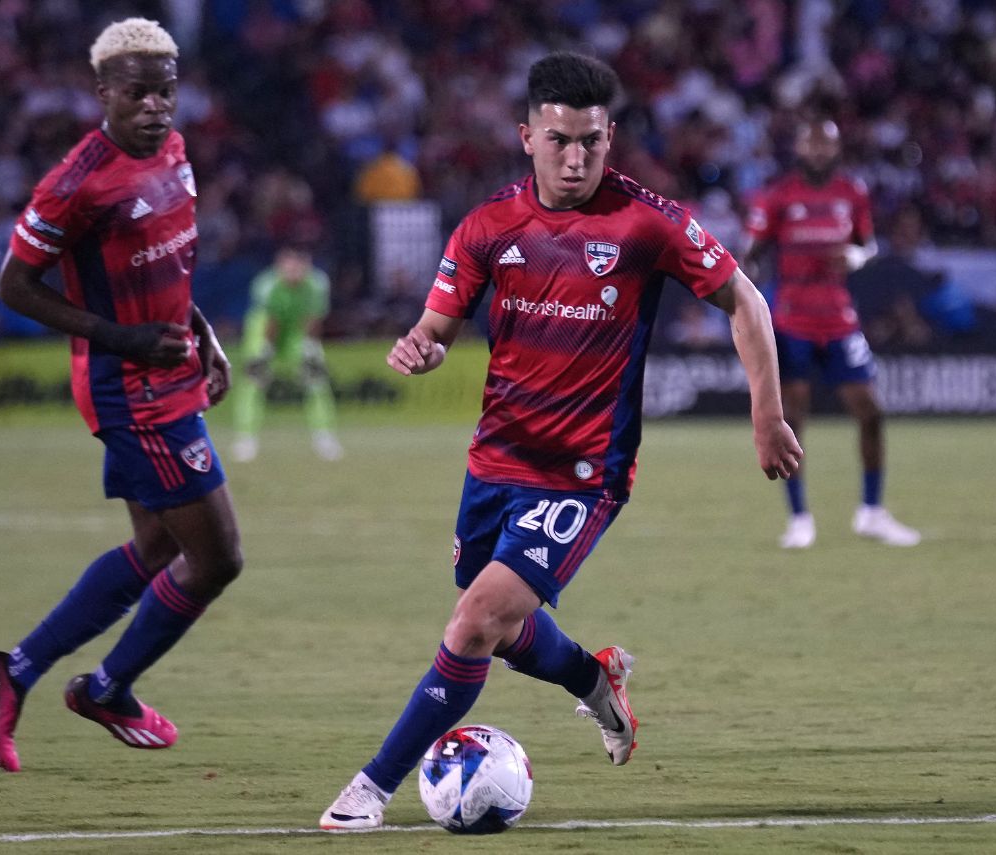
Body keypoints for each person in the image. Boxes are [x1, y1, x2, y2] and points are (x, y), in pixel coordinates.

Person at [319, 51, 802, 831]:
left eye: (591, 141)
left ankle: (370, 789)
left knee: (475, 622)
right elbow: (437, 326)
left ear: (610, 137)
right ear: (527, 137)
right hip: (495, 460)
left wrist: (767, 414)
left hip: (583, 472)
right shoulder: (488, 226)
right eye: (559, 141)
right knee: (498, 624)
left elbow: (745, 300)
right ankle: (594, 678)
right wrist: (422, 347)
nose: (576, 158)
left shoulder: (647, 221)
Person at [0, 18, 243, 772]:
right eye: (137, 93)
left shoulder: (175, 152)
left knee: (157, 546)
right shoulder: (75, 184)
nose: (155, 106)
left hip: (168, 368)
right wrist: (123, 338)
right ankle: (106, 687)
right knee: (217, 557)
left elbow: (169, 264)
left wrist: (203, 333)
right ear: (103, 94)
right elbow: (14, 287)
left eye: (165, 92)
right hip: (132, 389)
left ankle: (13, 672)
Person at [745, 119, 920, 549]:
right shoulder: (778, 195)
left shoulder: (852, 192)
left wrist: (855, 258)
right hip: (793, 319)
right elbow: (750, 253)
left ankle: (872, 513)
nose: (819, 151)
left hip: (839, 318)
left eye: (826, 144)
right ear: (799, 148)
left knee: (871, 412)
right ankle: (799, 519)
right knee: (794, 419)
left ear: (837, 148)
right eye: (812, 143)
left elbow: (868, 245)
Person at [231, 246, 342, 462]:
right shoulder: (266, 284)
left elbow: (314, 318)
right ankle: (246, 438)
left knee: (316, 379)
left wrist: (310, 346)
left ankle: (324, 437)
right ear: (280, 265)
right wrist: (265, 350)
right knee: (253, 382)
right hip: (263, 329)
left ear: (306, 266)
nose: (294, 271)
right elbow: (271, 320)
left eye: (299, 266)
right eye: (289, 266)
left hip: (297, 330)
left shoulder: (317, 283)